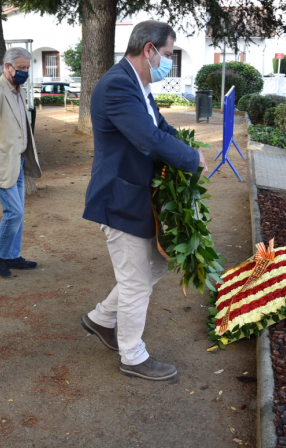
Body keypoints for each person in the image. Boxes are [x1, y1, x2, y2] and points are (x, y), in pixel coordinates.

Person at [80, 20, 209, 381]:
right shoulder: (118, 86)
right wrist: (188, 160)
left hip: (135, 195)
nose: (169, 62)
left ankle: (102, 318)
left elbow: (162, 128)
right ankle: (132, 356)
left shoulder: (138, 83)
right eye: (168, 54)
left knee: (154, 265)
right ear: (149, 50)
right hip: (119, 197)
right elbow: (149, 139)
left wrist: (189, 150)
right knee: (137, 280)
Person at [0, 47, 42, 278]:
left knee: (18, 211)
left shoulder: (16, 89)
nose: (25, 72)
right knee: (13, 213)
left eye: (27, 68)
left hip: (18, 162)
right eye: (21, 68)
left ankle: (12, 255)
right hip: (1, 163)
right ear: (7, 67)